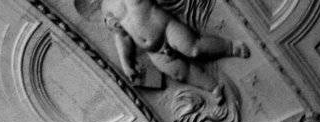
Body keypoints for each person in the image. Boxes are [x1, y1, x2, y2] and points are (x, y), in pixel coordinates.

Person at [83, 0, 249, 84]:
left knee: (193, 49)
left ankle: (230, 47)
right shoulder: (107, 8)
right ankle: (212, 87)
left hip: (166, 28)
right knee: (178, 73)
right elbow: (121, 36)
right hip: (153, 51)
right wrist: (126, 64)